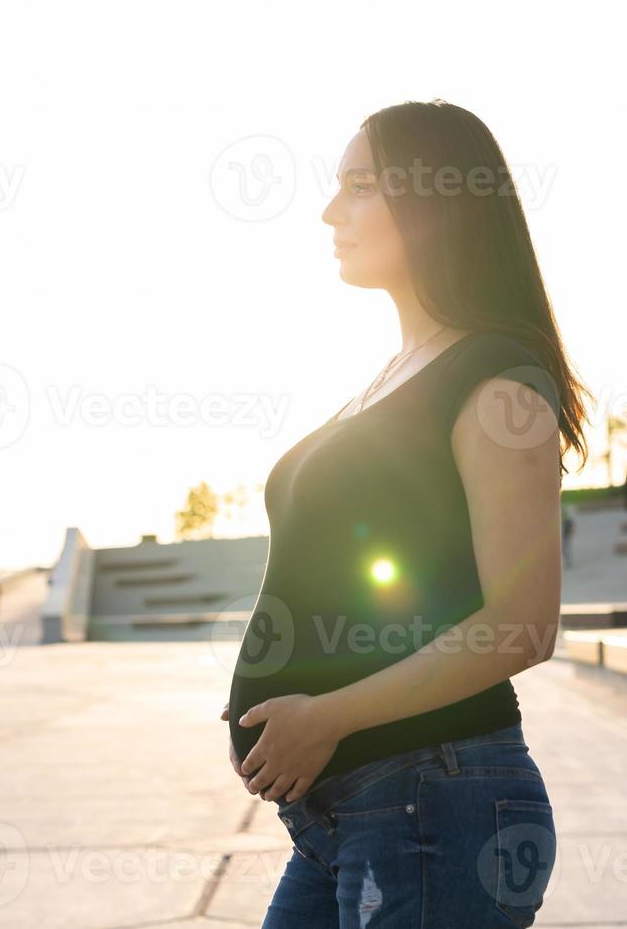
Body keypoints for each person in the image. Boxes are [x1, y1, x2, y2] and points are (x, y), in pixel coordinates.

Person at [227, 101, 590, 927]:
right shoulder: (395, 374)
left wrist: (326, 716)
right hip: (348, 816)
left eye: (359, 186)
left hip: (434, 799)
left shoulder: (498, 381)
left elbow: (523, 626)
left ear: (435, 203)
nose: (329, 211)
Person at [559, 500, 575, 568]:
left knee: (566, 548)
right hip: (562, 535)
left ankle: (568, 561)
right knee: (563, 549)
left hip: (565, 535)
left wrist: (571, 533)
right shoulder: (561, 518)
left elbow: (572, 526)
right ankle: (567, 560)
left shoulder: (567, 519)